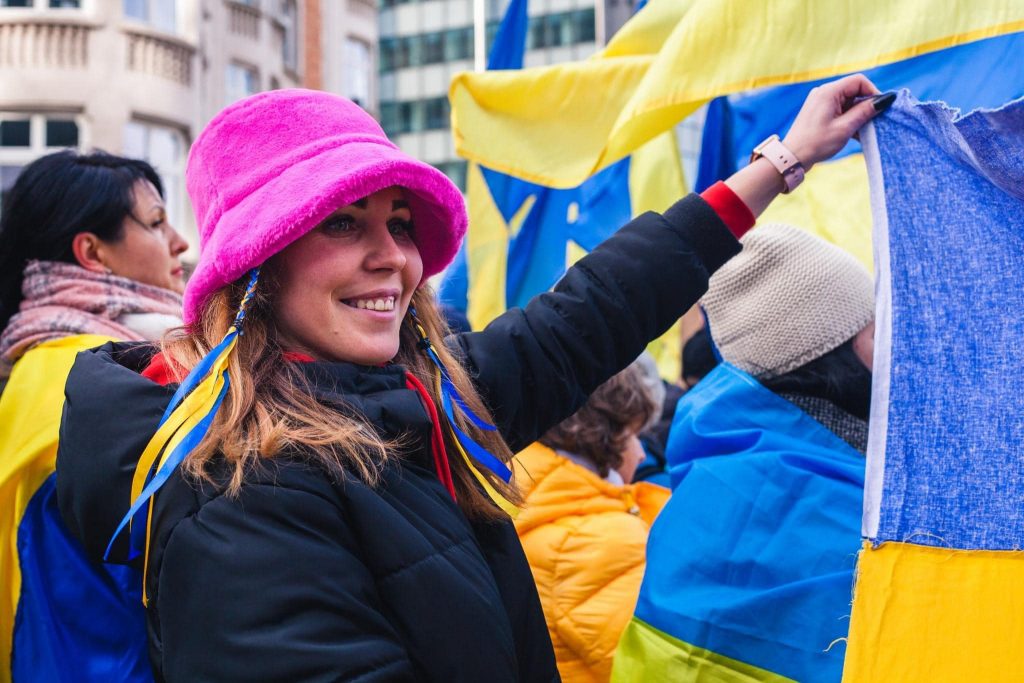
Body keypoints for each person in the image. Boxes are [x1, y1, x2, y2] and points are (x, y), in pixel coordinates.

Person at [55, 77, 885, 681]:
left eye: (400, 222)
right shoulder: (238, 494)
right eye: (343, 223)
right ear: (255, 269)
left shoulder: (407, 399)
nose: (393, 257)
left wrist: (782, 161)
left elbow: (587, 315)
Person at [613, 224, 874, 683]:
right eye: (875, 332)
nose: (897, 349)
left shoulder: (708, 480)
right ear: (831, 357)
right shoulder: (854, 512)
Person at [0, 150, 188, 681]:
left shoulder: (36, 365)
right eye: (156, 222)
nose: (180, 242)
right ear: (92, 252)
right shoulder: (106, 382)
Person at [514, 358, 668, 682]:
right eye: (633, 434)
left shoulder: (532, 499)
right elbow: (654, 669)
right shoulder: (598, 537)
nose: (641, 454)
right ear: (605, 432)